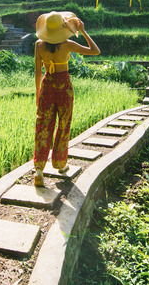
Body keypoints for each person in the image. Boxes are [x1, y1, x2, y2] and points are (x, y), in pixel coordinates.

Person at [33, 11, 100, 187]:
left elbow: (38, 72)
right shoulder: (68, 45)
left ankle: (39, 168)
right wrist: (83, 31)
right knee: (63, 124)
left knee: (43, 126)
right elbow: (95, 51)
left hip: (47, 85)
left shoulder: (39, 45)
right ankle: (60, 164)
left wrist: (38, 93)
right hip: (64, 86)